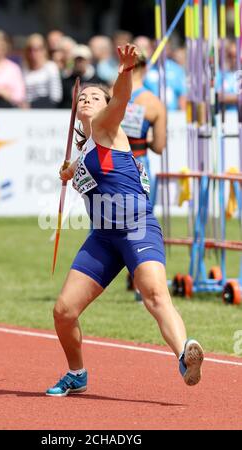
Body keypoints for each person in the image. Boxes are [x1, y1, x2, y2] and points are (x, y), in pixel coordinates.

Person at [46, 44, 204, 397]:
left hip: (135, 226)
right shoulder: (85, 146)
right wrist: (68, 171)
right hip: (103, 237)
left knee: (154, 295)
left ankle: (184, 354)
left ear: (105, 108)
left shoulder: (107, 126)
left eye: (93, 96)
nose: (85, 99)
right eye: (81, 96)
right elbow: (77, 168)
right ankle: (77, 373)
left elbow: (119, 100)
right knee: (63, 312)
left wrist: (125, 71)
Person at [121, 52, 167, 292]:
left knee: (104, 222)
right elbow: (159, 146)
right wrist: (146, 140)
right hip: (139, 164)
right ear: (145, 68)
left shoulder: (111, 94)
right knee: (141, 225)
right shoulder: (153, 102)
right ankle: (142, 281)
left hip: (112, 163)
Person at [23, 33, 62, 108]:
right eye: (30, 49)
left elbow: (56, 97)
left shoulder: (51, 67)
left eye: (37, 49)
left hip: (45, 110)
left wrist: (33, 104)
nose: (33, 53)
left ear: (44, 50)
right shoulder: (24, 68)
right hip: (26, 111)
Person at [60, 44, 105, 109]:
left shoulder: (98, 82)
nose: (79, 63)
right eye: (77, 60)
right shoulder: (65, 82)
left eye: (82, 60)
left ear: (88, 61)